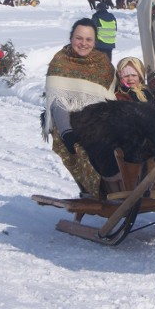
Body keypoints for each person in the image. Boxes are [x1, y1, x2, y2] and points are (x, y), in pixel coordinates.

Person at [42, 18, 118, 198]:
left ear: (95, 41)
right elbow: (57, 102)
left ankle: (133, 181)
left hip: (101, 117)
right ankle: (106, 187)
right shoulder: (60, 61)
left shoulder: (103, 63)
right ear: (71, 38)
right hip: (70, 121)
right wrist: (67, 131)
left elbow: (110, 97)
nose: (83, 44)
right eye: (79, 38)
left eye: (88, 39)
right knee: (88, 144)